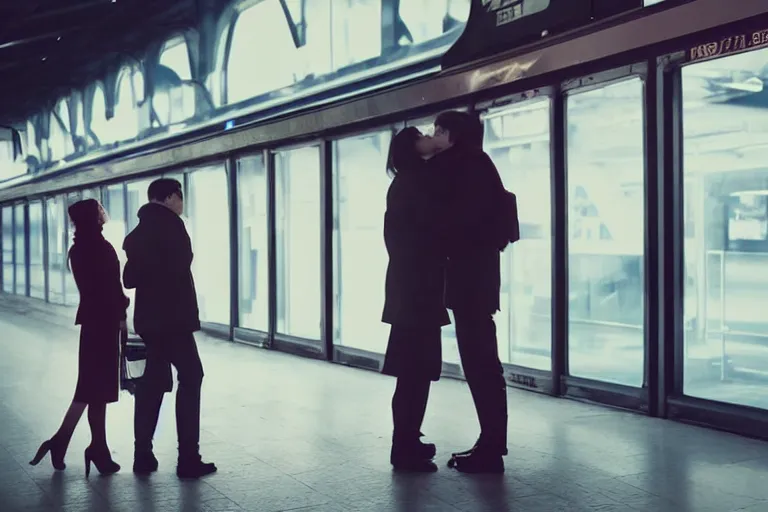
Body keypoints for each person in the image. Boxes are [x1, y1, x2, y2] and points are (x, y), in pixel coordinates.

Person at [429, 111, 508, 473]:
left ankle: (490, 448)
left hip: (464, 277)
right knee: (484, 363)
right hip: (483, 275)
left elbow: (440, 221)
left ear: (449, 134)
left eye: (437, 131)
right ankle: (492, 442)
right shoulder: (482, 163)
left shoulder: (451, 166)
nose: (433, 137)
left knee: (478, 363)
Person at [122, 178, 216, 479]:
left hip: (149, 321)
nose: (182, 203)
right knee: (191, 376)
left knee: (153, 382)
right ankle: (188, 458)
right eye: (180, 197)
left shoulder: (136, 234)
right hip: (173, 320)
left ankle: (142, 454)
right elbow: (181, 265)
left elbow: (129, 278)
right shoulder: (173, 226)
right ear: (171, 197)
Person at [30, 199, 127, 477]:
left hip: (92, 324)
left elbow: (95, 289)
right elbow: (111, 288)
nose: (103, 211)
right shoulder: (101, 247)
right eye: (99, 209)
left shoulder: (78, 249)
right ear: (93, 217)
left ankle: (91, 446)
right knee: (92, 389)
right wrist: (122, 315)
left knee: (95, 389)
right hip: (105, 323)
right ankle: (73, 444)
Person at [381, 127, 449, 472]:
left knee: (413, 372)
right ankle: (404, 444)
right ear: (413, 147)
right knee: (415, 372)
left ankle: (407, 440)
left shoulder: (408, 181)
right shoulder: (417, 181)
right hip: (417, 291)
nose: (430, 136)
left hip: (410, 290)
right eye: (423, 134)